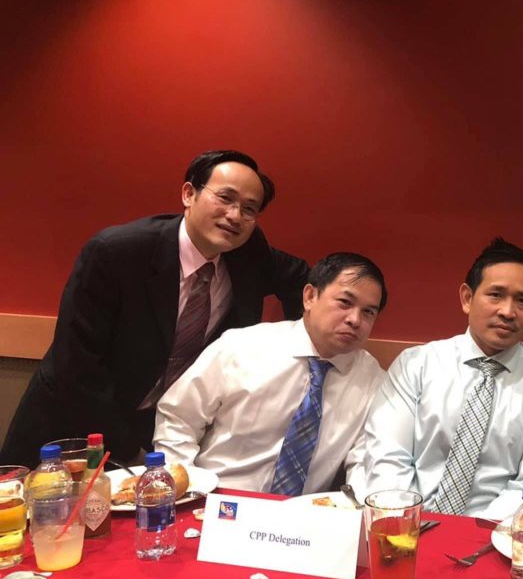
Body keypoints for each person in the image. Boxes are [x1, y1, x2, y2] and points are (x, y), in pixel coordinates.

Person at [1, 150, 309, 465]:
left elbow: (308, 283)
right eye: (225, 198)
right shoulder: (117, 252)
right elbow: (77, 365)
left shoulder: (247, 253)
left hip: (158, 428)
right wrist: (126, 451)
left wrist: (294, 355)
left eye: (249, 208)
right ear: (189, 194)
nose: (234, 215)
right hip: (71, 427)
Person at [153, 253, 386, 495]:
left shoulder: (372, 380)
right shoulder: (242, 347)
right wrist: (187, 489)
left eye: (368, 312)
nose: (355, 320)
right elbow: (178, 418)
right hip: (216, 500)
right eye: (345, 302)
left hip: (304, 512)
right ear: (310, 296)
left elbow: (365, 460)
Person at [361, 238, 523, 517]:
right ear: (467, 298)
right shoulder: (416, 364)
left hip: (494, 532)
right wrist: (406, 523)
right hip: (407, 523)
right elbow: (388, 458)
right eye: (496, 295)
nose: (507, 311)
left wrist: (471, 535)